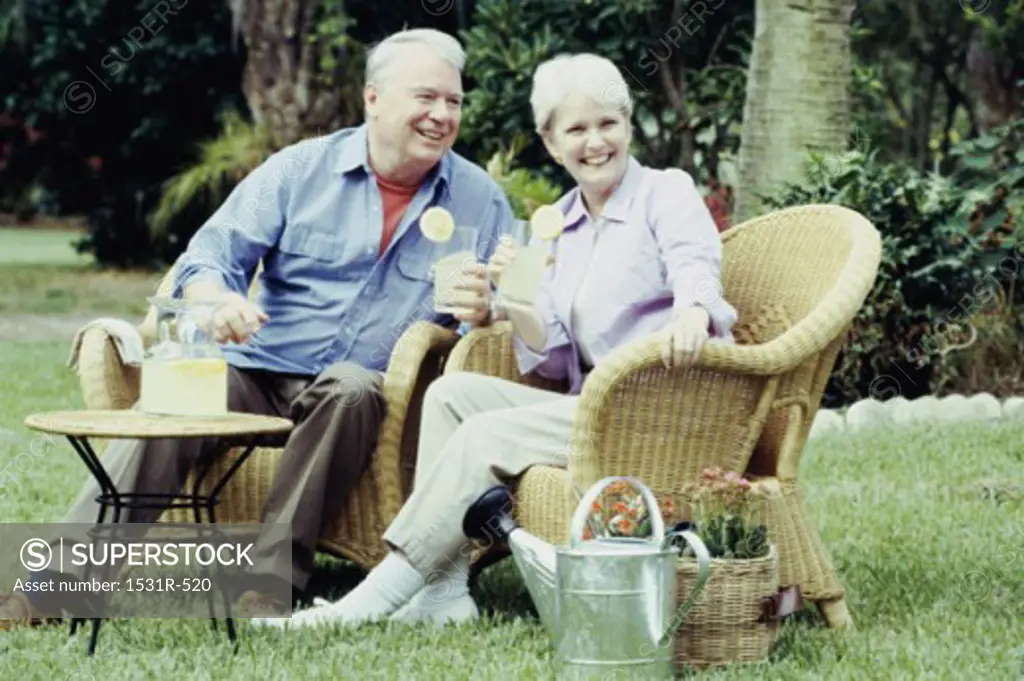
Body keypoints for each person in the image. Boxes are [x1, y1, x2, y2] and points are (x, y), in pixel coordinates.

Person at [0, 28, 512, 629]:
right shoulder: (300, 170)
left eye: (453, 101)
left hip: (360, 395)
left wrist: (488, 309)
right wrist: (216, 300)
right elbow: (210, 254)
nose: (441, 115)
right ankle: (56, 586)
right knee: (172, 406)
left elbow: (508, 309)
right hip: (256, 368)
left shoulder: (481, 199)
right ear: (373, 98)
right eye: (426, 97)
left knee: (350, 386)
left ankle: (266, 584)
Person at [256, 52, 737, 630]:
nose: (596, 142)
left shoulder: (665, 192)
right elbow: (551, 357)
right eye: (576, 129)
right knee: (451, 394)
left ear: (628, 125)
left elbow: (698, 263)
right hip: (590, 405)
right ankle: (444, 589)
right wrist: (515, 297)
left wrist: (693, 311)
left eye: (608, 123)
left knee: (484, 432)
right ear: (551, 142)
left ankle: (374, 597)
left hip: (662, 409)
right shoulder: (550, 224)